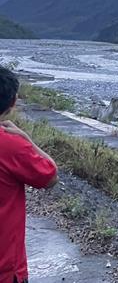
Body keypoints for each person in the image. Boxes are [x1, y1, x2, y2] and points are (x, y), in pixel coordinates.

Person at [0, 67, 58, 283]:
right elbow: (50, 176)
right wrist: (27, 139)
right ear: (13, 102)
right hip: (5, 269)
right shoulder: (11, 146)